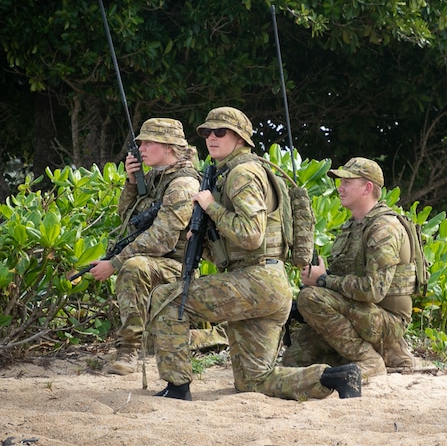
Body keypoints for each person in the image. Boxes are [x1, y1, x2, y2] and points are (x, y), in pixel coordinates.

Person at [148, 106, 361, 401]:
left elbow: (251, 235)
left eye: (220, 132)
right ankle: (333, 377)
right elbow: (236, 247)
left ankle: (177, 387)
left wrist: (211, 206)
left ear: (240, 138)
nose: (211, 137)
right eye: (207, 132)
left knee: (166, 299)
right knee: (253, 380)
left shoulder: (242, 174)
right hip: (268, 285)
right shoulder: (240, 172)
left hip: (255, 281)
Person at [89, 118, 224, 375]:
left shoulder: (183, 184)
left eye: (149, 142)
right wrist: (131, 183)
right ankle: (182, 337)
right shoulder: (154, 178)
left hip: (177, 266)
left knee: (133, 267)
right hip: (158, 262)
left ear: (170, 147)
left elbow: (161, 239)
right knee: (157, 339)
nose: (142, 148)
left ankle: (128, 350)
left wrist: (114, 263)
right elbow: (125, 218)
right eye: (140, 142)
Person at [281, 157, 417, 380]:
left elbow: (373, 290)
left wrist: (324, 281)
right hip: (358, 313)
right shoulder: (351, 226)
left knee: (312, 298)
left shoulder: (384, 228)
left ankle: (370, 360)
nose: (340, 188)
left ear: (367, 188)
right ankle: (388, 354)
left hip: (387, 320)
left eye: (347, 182)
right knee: (294, 361)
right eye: (340, 182)